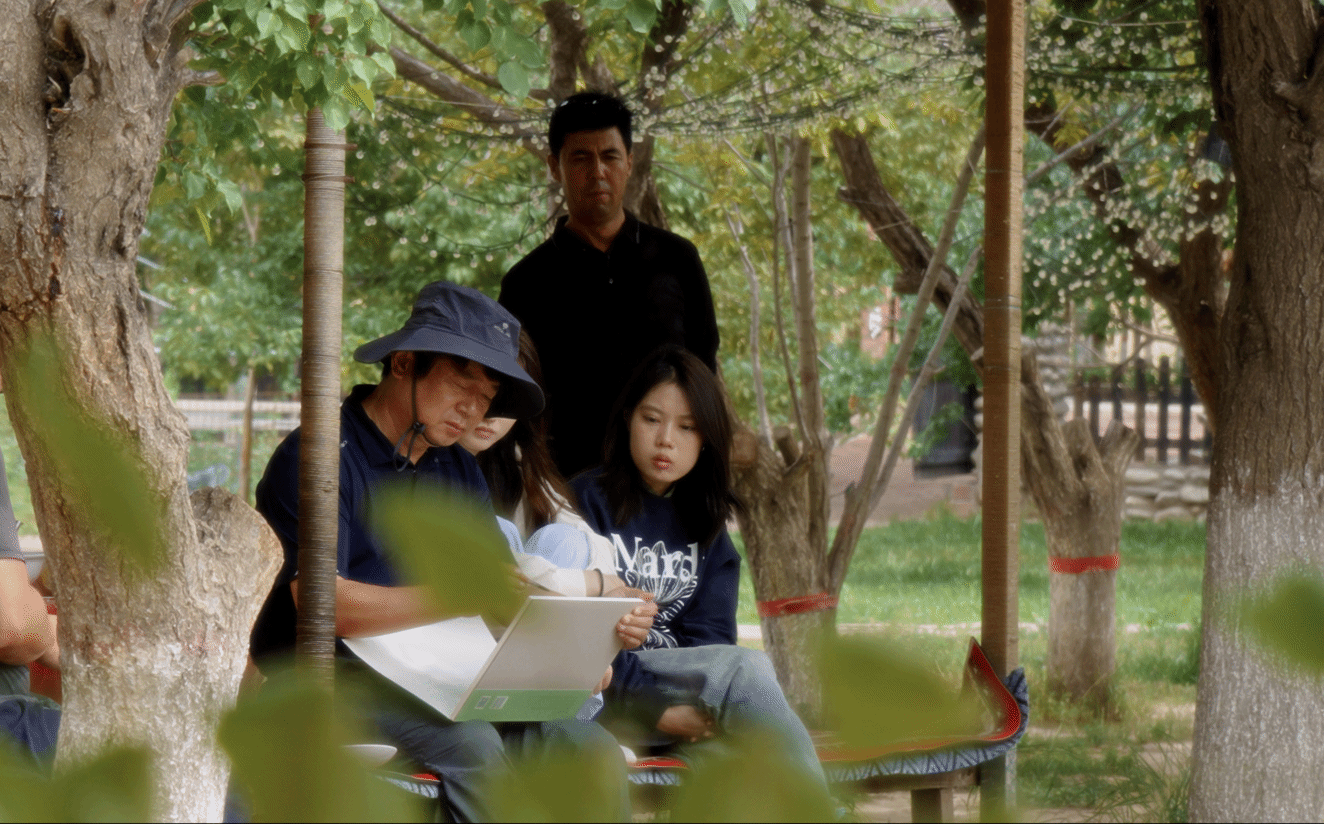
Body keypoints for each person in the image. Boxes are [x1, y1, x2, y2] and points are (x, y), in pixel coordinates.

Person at [249, 281, 631, 823]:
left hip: (441, 676)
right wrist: (456, 596)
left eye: (487, 397)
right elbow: (321, 604)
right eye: (461, 384)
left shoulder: (457, 468)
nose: (473, 410)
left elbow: (497, 602)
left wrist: (574, 657)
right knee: (474, 746)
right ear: (404, 363)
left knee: (587, 748)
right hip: (329, 678)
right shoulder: (320, 454)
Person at [569, 345, 828, 791]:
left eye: (687, 427)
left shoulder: (707, 528)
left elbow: (710, 644)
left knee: (731, 768)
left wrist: (686, 711)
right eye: (652, 419)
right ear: (628, 418)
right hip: (601, 694)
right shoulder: (583, 503)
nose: (666, 439)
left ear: (706, 438)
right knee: (747, 670)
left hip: (680, 693)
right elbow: (573, 630)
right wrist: (655, 710)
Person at [498, 91, 720, 480]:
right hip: (570, 488)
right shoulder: (526, 282)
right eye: (580, 158)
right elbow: (515, 398)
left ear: (629, 162)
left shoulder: (677, 259)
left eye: (610, 156)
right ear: (554, 167)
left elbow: (704, 370)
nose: (597, 171)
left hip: (668, 485)